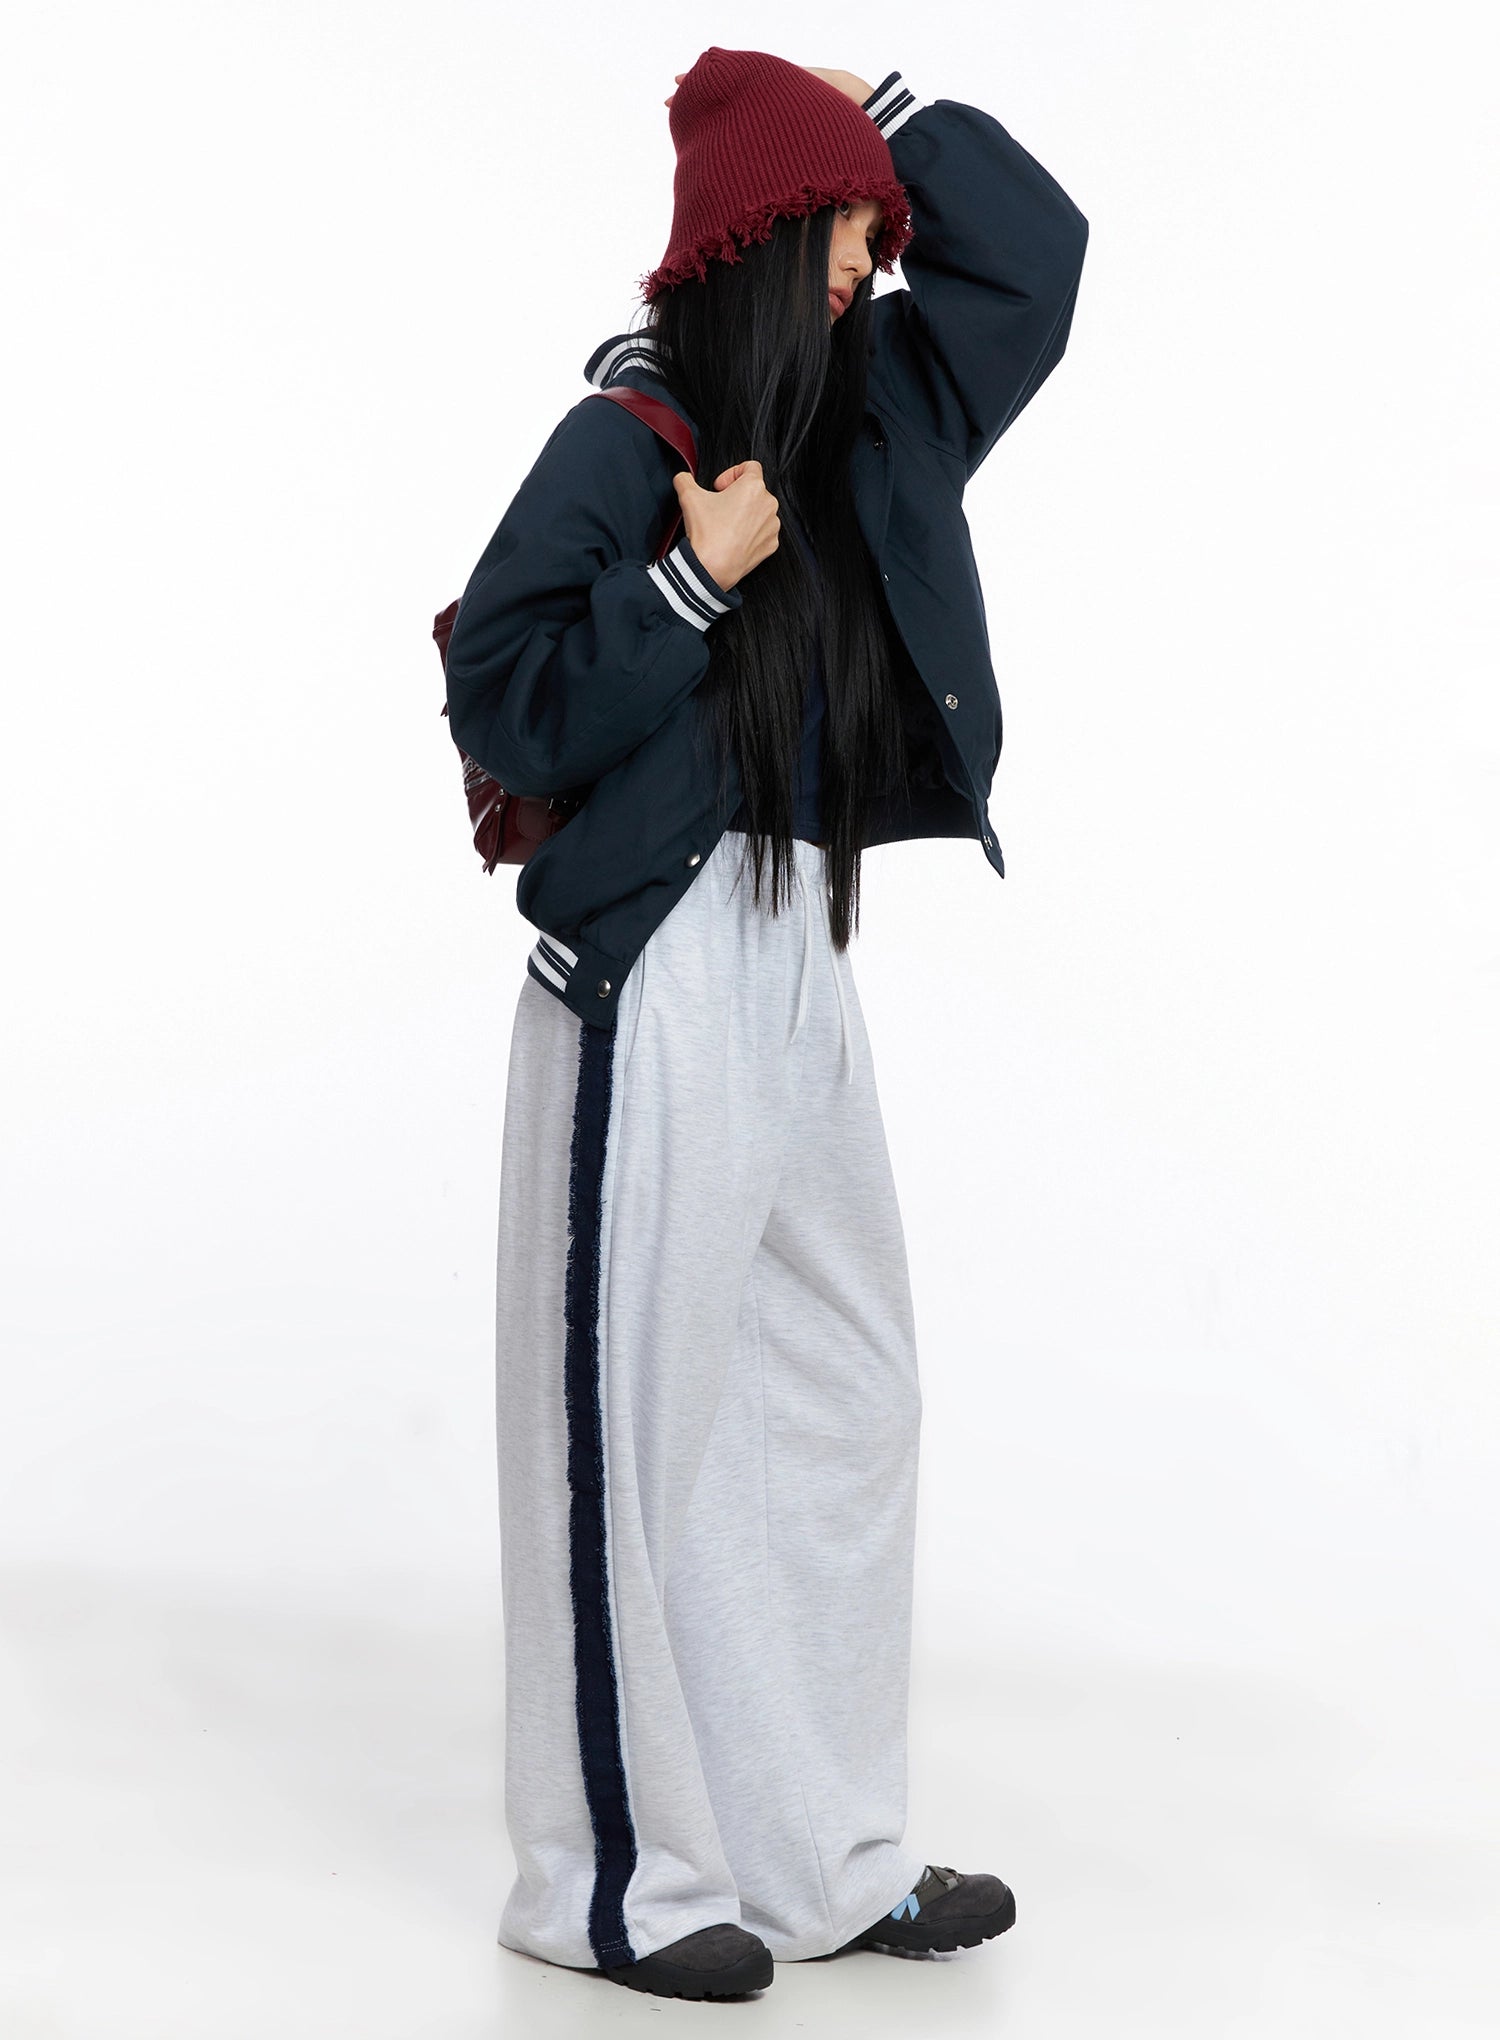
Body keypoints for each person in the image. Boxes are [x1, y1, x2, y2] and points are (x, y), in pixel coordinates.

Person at [442, 47, 1089, 2003]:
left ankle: (820, 1861)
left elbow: (1035, 255)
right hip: (654, 954)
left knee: (842, 1386)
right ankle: (607, 1888)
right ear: (757, 240)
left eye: (877, 234)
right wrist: (683, 583)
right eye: (843, 233)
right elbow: (505, 695)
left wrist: (875, 109)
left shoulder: (881, 411)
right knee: (627, 1418)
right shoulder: (630, 439)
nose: (874, 264)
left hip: (800, 936)